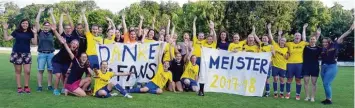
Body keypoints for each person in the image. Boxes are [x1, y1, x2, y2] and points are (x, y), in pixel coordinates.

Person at [320, 23, 354, 105]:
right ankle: (327, 98)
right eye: (323, 42)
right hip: (323, 67)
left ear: (329, 41)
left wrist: (350, 30)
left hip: (331, 67)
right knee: (326, 84)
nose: (324, 43)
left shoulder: (335, 45)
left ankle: (329, 100)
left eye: (326, 42)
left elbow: (342, 36)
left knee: (326, 83)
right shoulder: (322, 49)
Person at [2, 19, 38, 94]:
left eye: (26, 23)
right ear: (21, 24)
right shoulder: (16, 32)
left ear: (28, 25)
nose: (25, 24)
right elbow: (6, 39)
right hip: (17, 53)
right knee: (18, 71)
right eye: (23, 23)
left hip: (27, 54)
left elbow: (34, 43)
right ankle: (19, 87)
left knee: (27, 71)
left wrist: (35, 34)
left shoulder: (30, 32)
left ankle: (26, 87)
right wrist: (5, 29)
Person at [34, 7, 56, 92]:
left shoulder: (51, 32)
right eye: (45, 25)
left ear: (50, 26)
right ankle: (39, 86)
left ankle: (49, 85)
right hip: (42, 54)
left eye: (48, 25)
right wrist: (39, 11)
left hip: (50, 54)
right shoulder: (40, 32)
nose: (46, 27)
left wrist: (51, 13)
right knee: (40, 70)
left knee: (50, 71)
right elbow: (36, 22)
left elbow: (54, 23)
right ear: (43, 26)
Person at [285, 23, 309, 100]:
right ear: (294, 37)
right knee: (289, 79)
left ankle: (297, 95)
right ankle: (288, 93)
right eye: (296, 35)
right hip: (290, 64)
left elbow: (306, 40)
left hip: (299, 64)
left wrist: (304, 29)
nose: (297, 37)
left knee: (298, 80)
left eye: (299, 36)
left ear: (300, 37)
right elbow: (280, 43)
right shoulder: (289, 43)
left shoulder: (303, 43)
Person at [268, 29, 289, 98]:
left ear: (285, 42)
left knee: (282, 80)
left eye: (284, 41)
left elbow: (287, 57)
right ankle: (275, 93)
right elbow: (271, 38)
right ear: (279, 41)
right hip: (275, 66)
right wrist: (269, 29)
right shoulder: (275, 45)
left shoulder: (287, 48)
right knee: (275, 79)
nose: (282, 41)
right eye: (281, 40)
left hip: (283, 66)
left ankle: (281, 93)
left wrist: (287, 56)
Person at [302, 28, 321, 102]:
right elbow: (303, 38)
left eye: (313, 39)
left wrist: (318, 34)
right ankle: (307, 96)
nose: (312, 40)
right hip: (306, 67)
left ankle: (312, 97)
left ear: (316, 40)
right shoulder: (306, 47)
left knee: (314, 83)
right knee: (306, 82)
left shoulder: (319, 48)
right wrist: (304, 29)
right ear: (309, 40)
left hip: (315, 67)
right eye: (311, 39)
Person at [254, 24, 272, 97]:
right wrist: (254, 31)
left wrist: (269, 29)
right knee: (259, 78)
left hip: (268, 64)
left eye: (265, 38)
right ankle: (259, 91)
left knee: (266, 79)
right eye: (263, 38)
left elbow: (273, 55)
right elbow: (256, 37)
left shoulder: (271, 46)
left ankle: (267, 92)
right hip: (260, 64)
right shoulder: (261, 44)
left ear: (268, 39)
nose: (264, 39)